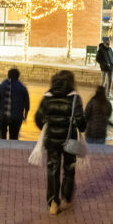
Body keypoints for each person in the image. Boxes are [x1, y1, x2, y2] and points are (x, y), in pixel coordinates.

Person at [34, 70, 86, 215]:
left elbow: (38, 118)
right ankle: (66, 199)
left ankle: (53, 202)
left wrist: (48, 129)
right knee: (69, 169)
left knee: (52, 169)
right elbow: (80, 122)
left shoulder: (47, 96)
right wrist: (81, 126)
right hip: (70, 141)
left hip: (52, 141)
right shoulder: (75, 98)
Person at [0, 68, 30, 140]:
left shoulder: (1, 86)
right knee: (14, 137)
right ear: (18, 76)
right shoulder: (22, 88)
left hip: (2, 116)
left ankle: (3, 147)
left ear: (8, 75)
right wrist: (25, 115)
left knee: (2, 135)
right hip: (16, 117)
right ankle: (12, 149)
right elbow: (27, 103)